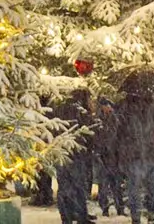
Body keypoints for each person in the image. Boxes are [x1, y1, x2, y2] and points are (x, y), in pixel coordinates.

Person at [116, 92, 154, 224]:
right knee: (153, 185)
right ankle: (153, 214)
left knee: (134, 187)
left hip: (132, 152)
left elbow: (118, 130)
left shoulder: (125, 106)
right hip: (149, 151)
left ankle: (136, 217)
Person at [54, 88, 96, 224]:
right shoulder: (81, 111)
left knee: (64, 186)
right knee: (78, 186)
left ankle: (67, 216)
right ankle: (80, 216)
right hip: (76, 153)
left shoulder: (61, 108)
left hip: (60, 151)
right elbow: (88, 133)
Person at [93, 98, 126, 217]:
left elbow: (119, 135)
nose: (107, 108)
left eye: (108, 105)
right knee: (105, 184)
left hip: (113, 155)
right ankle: (105, 208)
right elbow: (98, 137)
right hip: (104, 156)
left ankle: (119, 207)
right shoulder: (98, 119)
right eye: (105, 105)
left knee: (115, 184)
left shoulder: (116, 118)